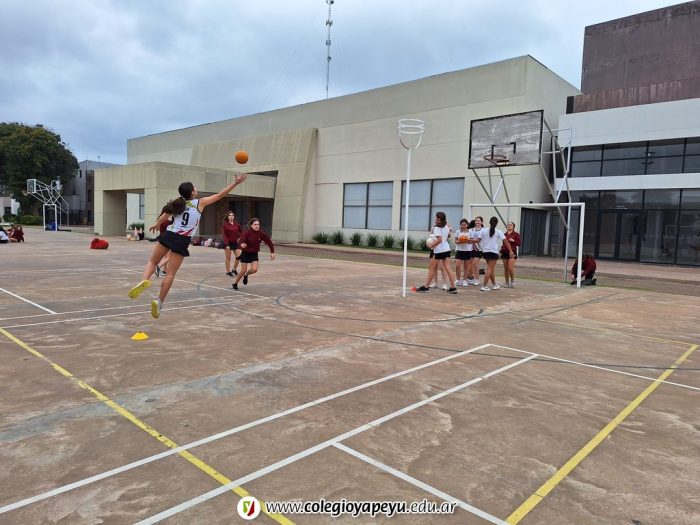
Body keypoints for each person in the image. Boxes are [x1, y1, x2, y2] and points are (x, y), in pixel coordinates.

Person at [128, 174, 248, 318]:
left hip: (169, 234)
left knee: (153, 261)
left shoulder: (178, 203)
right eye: (194, 187)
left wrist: (157, 224)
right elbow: (220, 195)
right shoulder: (200, 203)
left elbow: (165, 215)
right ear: (192, 192)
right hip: (182, 240)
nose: (196, 189)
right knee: (170, 273)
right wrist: (235, 183)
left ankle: (144, 280)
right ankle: (159, 302)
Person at [466, 216, 513, 291]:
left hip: (485, 252)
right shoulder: (498, 231)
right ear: (496, 223)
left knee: (490, 269)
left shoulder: (484, 231)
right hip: (493, 252)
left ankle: (494, 285)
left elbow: (477, 241)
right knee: (490, 269)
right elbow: (506, 241)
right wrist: (511, 251)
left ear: (489, 222)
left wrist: (469, 241)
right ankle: (484, 286)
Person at [416, 212, 457, 294]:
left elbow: (439, 240)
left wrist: (431, 245)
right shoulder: (446, 227)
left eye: (436, 217)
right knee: (448, 268)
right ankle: (453, 287)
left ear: (439, 219)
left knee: (431, 268)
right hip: (446, 249)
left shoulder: (436, 228)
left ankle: (426, 287)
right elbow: (448, 236)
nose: (435, 219)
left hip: (439, 250)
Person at [231, 217, 275, 290]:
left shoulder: (261, 233)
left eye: (258, 224)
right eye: (255, 224)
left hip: (254, 253)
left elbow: (269, 242)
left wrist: (272, 252)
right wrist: (242, 245)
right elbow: (241, 241)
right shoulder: (247, 233)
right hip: (245, 253)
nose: (257, 226)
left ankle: (246, 275)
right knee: (243, 270)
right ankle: (235, 283)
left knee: (254, 269)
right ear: (251, 225)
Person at [222, 211, 242, 277]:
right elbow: (224, 235)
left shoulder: (237, 224)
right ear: (227, 217)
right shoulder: (225, 225)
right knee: (228, 258)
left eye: (232, 215)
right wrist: (227, 244)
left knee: (238, 256)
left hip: (235, 243)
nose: (231, 217)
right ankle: (228, 272)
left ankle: (234, 270)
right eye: (229, 215)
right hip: (228, 243)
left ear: (234, 217)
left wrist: (239, 238)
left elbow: (241, 232)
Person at [501, 221, 521, 288]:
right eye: (508, 225)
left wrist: (513, 241)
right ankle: (506, 282)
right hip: (504, 252)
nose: (509, 226)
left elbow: (519, 243)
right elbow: (503, 243)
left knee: (510, 268)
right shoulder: (504, 234)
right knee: (506, 268)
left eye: (511, 225)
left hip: (512, 252)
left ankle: (512, 280)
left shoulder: (516, 234)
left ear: (513, 227)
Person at [454, 219, 473, 287]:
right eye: (462, 225)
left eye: (465, 225)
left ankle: (465, 280)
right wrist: (460, 241)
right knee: (457, 266)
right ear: (460, 225)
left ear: (467, 225)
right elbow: (455, 241)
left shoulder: (470, 232)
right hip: (459, 250)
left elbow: (472, 241)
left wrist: (467, 240)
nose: (463, 226)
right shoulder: (458, 232)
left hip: (467, 251)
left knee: (466, 267)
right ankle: (458, 280)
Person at [155, 206, 172, 277]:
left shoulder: (160, 220)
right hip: (168, 239)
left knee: (166, 256)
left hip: (162, 239)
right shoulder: (167, 222)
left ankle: (165, 271)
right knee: (170, 257)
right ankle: (159, 266)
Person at [468, 216, 484, 286]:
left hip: (479, 249)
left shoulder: (483, 230)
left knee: (475, 263)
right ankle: (472, 278)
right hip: (471, 249)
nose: (477, 222)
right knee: (471, 264)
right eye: (476, 220)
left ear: (481, 222)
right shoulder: (471, 230)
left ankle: (477, 279)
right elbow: (468, 238)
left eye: (478, 221)